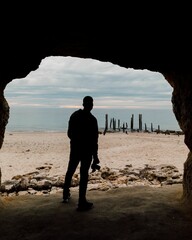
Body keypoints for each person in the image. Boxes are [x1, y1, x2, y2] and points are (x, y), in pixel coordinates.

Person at [63, 96, 100, 211]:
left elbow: (69, 133)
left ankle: (65, 195)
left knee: (70, 171)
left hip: (75, 149)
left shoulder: (74, 116)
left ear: (83, 104)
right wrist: (95, 157)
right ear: (91, 105)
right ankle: (81, 201)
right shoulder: (92, 120)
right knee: (84, 175)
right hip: (87, 151)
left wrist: (76, 140)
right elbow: (94, 140)